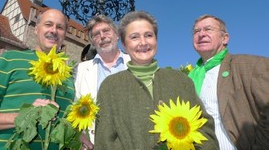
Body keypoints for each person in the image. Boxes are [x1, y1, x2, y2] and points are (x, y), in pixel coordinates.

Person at [94, 11, 219, 150]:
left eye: (148, 35)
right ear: (124, 44)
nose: (143, 42)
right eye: (134, 37)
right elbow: (105, 142)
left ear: (156, 39)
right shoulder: (110, 87)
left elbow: (205, 129)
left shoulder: (180, 80)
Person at [0, 9, 75, 150]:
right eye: (48, 24)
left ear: (64, 35)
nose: (54, 30)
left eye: (60, 27)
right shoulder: (10, 59)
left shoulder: (68, 77)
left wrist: (76, 135)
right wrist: (24, 116)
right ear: (36, 29)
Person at [188, 14, 269, 150]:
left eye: (208, 29)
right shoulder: (187, 79)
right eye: (196, 31)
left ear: (225, 38)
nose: (201, 34)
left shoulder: (250, 65)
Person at [75, 14, 130, 148]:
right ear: (93, 42)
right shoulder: (82, 70)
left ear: (117, 35)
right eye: (96, 34)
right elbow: (75, 105)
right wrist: (78, 135)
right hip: (95, 143)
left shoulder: (135, 63)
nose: (102, 36)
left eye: (106, 31)